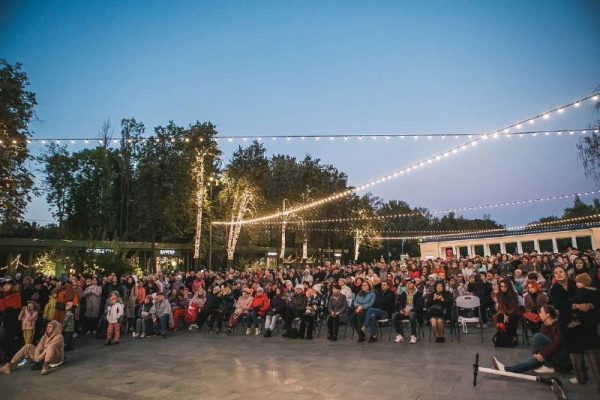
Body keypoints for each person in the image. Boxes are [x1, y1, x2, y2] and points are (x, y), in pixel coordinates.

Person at [492, 305, 570, 374]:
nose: (539, 314)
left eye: (541, 312)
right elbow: (539, 344)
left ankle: (549, 366)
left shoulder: (558, 326)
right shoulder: (544, 326)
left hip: (558, 356)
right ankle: (506, 369)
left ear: (547, 315)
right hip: (547, 354)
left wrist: (542, 354)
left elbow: (557, 344)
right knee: (529, 361)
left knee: (537, 336)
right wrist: (536, 353)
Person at [565, 272, 600, 387]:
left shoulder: (582, 292)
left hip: (581, 328)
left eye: (578, 282)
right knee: (594, 356)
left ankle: (582, 379)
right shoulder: (596, 292)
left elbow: (569, 303)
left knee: (578, 354)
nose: (576, 284)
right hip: (593, 327)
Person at [0, 320, 64, 376]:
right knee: (28, 346)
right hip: (42, 357)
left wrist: (39, 358)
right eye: (47, 326)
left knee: (50, 347)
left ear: (55, 328)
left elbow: (48, 349)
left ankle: (45, 366)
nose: (48, 328)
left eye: (50, 327)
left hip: (55, 359)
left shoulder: (59, 337)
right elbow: (39, 348)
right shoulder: (44, 337)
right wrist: (37, 357)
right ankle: (8, 366)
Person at [393, 279, 424, 344]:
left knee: (412, 315)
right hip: (404, 311)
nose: (408, 284)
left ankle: (413, 335)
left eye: (410, 283)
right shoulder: (404, 293)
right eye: (407, 283)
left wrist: (410, 310)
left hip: (415, 312)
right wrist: (401, 310)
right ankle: (400, 335)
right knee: (394, 315)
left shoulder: (418, 294)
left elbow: (420, 306)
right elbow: (399, 304)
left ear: (414, 284)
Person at [492, 278, 520, 347]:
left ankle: (511, 338)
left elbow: (514, 307)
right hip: (503, 312)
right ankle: (501, 339)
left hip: (513, 312)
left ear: (508, 286)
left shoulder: (514, 294)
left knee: (512, 318)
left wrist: (508, 315)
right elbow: (500, 307)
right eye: (501, 286)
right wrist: (504, 314)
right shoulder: (499, 294)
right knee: (499, 317)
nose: (503, 288)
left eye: (504, 287)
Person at [0, 278, 22, 362]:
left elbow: (11, 310)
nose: (6, 286)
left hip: (10, 323)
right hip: (3, 321)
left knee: (8, 340)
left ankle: (8, 358)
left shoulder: (16, 295)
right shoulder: (2, 294)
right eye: (4, 285)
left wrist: (2, 302)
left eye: (8, 285)